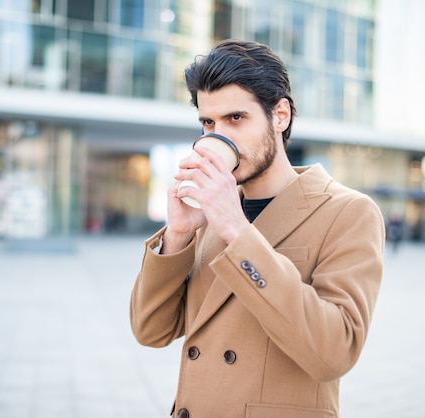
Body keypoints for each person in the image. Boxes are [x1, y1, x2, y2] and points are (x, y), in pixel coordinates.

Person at [130, 39, 385, 418]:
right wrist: (179, 235)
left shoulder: (348, 212)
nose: (219, 136)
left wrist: (238, 231)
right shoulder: (210, 215)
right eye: (208, 123)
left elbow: (336, 352)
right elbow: (151, 331)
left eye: (236, 118)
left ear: (279, 115)